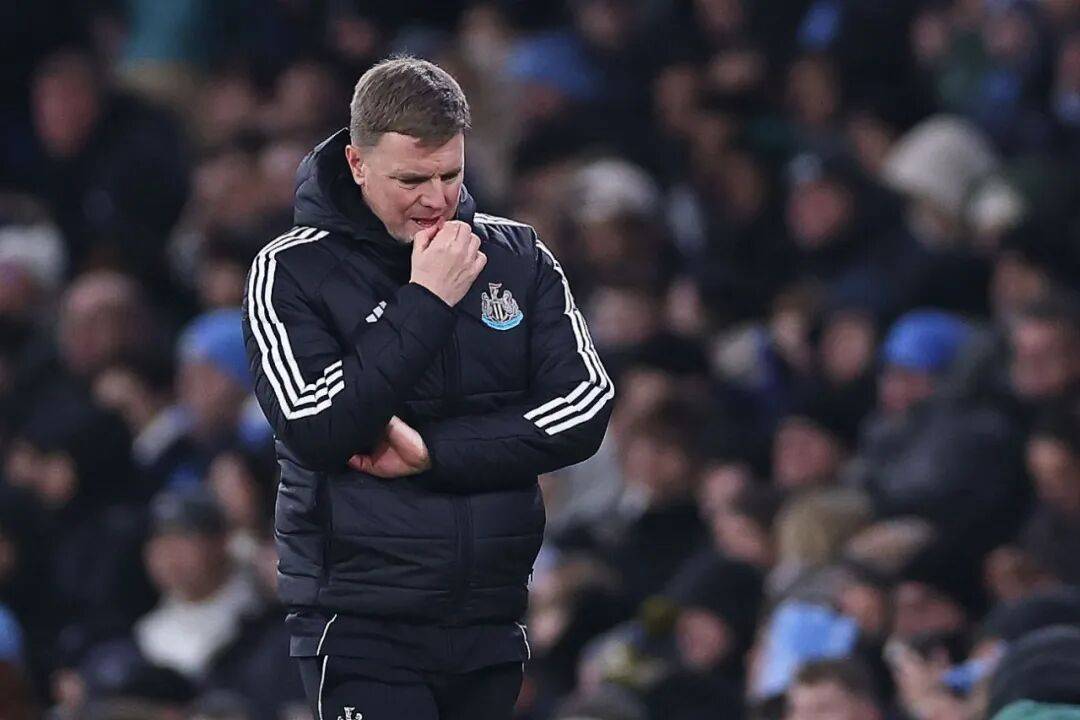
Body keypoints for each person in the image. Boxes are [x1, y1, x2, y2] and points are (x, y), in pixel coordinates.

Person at [242, 56, 613, 720]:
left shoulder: (517, 257)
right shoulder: (291, 268)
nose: (436, 199)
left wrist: (435, 452)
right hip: (361, 621)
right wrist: (427, 299)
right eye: (411, 179)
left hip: (492, 617)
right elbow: (316, 424)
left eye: (451, 174)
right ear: (357, 164)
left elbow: (584, 407)